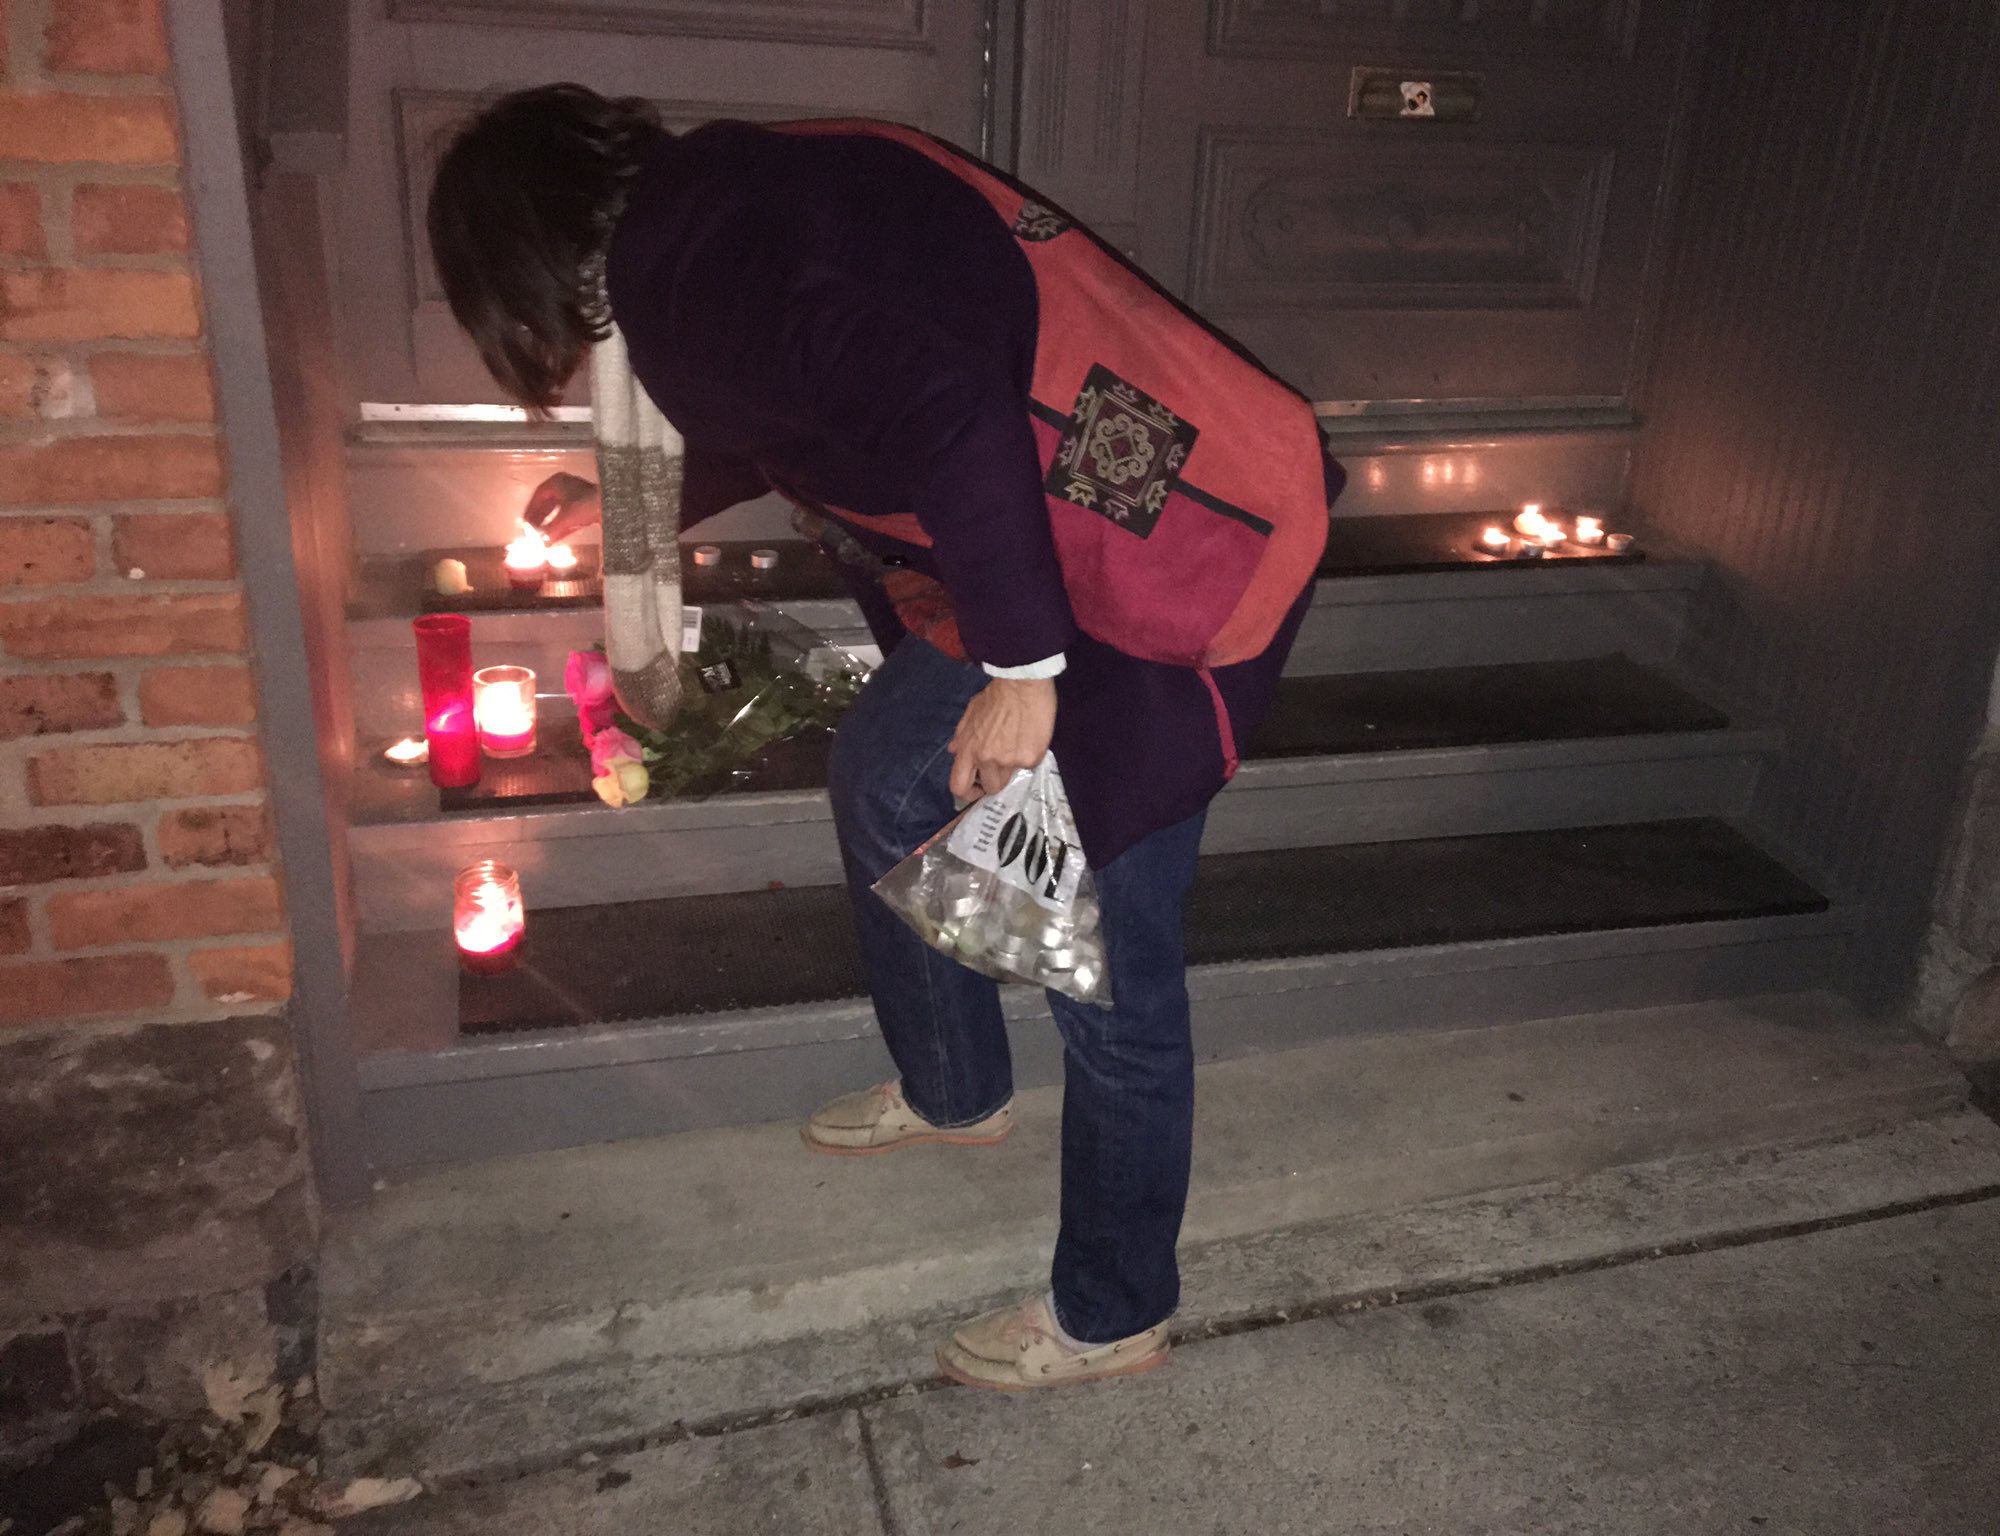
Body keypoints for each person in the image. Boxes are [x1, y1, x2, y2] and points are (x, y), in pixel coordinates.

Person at [429, 83, 1341, 1391]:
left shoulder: (695, 273)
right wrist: (637, 500)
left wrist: (1024, 673)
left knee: (1109, 962)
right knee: (881, 772)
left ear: (515, 266)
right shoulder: (711, 209)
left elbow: (947, 410)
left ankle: (1113, 1307)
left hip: (1158, 556)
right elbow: (815, 400)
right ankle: (955, 1087)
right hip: (1039, 534)